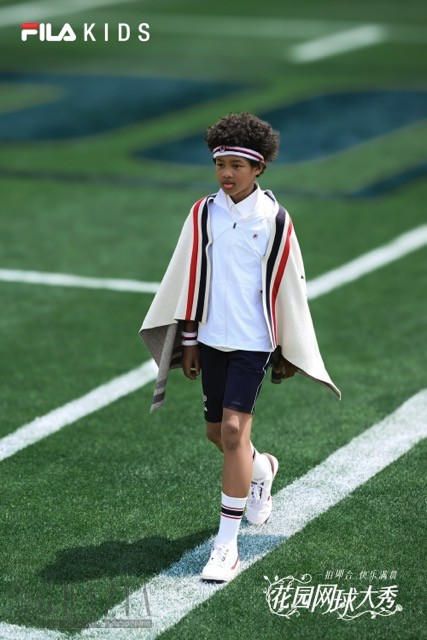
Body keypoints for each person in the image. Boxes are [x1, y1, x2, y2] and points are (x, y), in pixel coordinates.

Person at [140, 112, 340, 583]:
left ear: (258, 168)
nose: (226, 174)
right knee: (218, 435)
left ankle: (226, 546)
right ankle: (262, 470)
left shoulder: (275, 219)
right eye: (220, 164)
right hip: (211, 339)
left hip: (254, 342)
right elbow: (190, 279)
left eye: (236, 165)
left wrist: (286, 347)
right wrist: (189, 341)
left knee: (233, 431)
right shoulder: (202, 213)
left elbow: (290, 286)